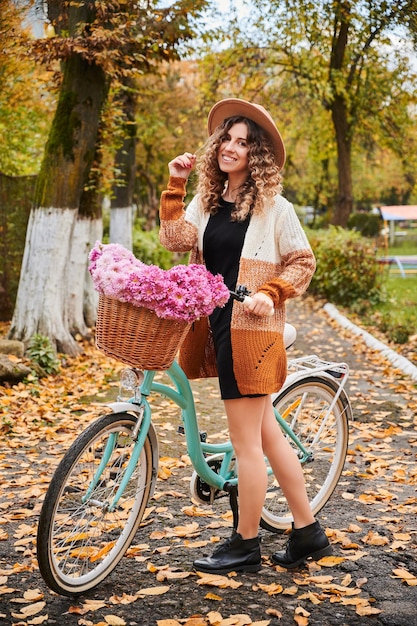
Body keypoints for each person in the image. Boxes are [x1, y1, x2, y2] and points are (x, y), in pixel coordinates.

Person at [158, 98, 332, 574]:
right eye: (227, 140)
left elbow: (302, 262)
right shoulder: (208, 201)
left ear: (255, 156)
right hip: (217, 327)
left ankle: (246, 543)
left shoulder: (277, 209)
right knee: (268, 438)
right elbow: (174, 239)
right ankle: (308, 532)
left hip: (252, 334)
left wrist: (270, 292)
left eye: (243, 143)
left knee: (246, 445)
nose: (231, 148)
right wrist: (176, 182)